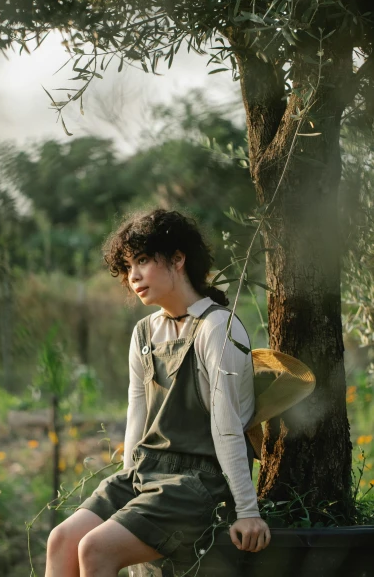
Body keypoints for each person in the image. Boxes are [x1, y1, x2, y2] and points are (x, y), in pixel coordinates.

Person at [45, 208, 270, 577]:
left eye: (144, 261)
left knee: (95, 548)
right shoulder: (145, 331)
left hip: (200, 482)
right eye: (128, 267)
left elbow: (227, 424)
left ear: (178, 258)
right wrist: (129, 483)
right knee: (62, 540)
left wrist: (247, 511)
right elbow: (137, 415)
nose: (133, 276)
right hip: (146, 473)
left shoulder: (217, 328)